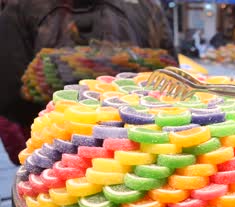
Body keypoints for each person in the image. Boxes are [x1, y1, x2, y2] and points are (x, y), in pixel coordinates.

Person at [0, 0, 176, 164]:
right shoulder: (146, 5)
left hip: (58, 150)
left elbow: (10, 93)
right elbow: (171, 81)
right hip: (144, 147)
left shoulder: (22, 6)